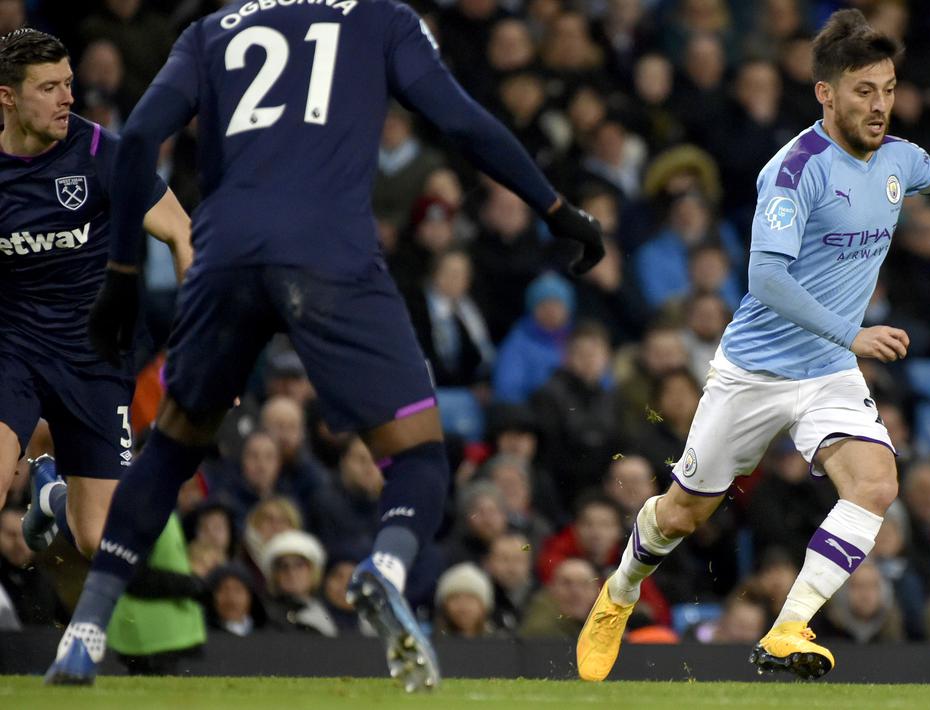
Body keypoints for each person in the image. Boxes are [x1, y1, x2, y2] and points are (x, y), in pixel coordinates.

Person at [46, 0, 603, 691]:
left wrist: (123, 274)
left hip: (224, 257)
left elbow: (137, 141)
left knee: (172, 448)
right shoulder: (379, 19)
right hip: (328, 256)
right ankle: (387, 568)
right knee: (420, 456)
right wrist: (554, 207)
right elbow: (460, 120)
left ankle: (84, 632)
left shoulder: (210, 29)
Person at [576, 8, 930, 683]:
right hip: (753, 371)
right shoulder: (793, 170)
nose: (879, 105)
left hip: (828, 371)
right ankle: (620, 591)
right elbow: (765, 277)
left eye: (889, 88)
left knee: (876, 484)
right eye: (864, 91)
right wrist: (854, 331)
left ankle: (787, 628)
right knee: (680, 515)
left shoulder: (899, 157)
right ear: (826, 93)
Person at [0, 29, 191, 565]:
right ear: (7, 97)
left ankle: (49, 491)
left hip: (95, 356)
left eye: (68, 84)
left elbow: (182, 233)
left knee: (97, 538)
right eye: (48, 88)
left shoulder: (103, 152)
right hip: (12, 347)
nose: (67, 99)